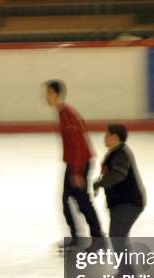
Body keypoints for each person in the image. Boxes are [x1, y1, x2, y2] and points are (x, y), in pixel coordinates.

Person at [44, 80, 103, 251]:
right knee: (67, 201)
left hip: (80, 163)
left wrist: (77, 172)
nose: (46, 97)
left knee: (83, 202)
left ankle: (98, 240)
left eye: (48, 93)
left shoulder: (67, 113)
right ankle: (77, 238)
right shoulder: (63, 113)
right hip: (73, 163)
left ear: (56, 95)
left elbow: (79, 143)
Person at [93, 124, 146, 278]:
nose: (104, 138)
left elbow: (118, 174)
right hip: (123, 203)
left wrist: (100, 183)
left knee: (117, 237)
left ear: (115, 137)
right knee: (119, 238)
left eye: (107, 135)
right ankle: (127, 273)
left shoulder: (121, 154)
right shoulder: (116, 152)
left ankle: (127, 276)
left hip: (128, 203)